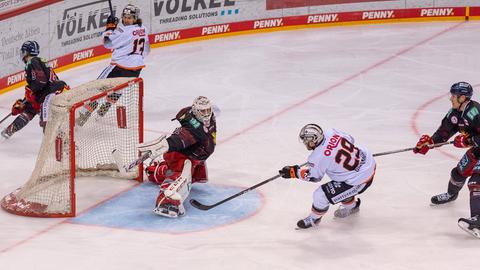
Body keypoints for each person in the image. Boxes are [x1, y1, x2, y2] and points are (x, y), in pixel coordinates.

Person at [414, 82, 480, 238]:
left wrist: (468, 141)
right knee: (458, 173)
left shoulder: (476, 112)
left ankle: (478, 220)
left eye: (453, 96)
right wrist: (429, 143)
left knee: (476, 182)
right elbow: (444, 132)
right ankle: (452, 194)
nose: (451, 98)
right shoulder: (455, 113)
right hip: (477, 150)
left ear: (463, 97)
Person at [279, 124, 376, 229]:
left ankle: (314, 219)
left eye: (306, 141)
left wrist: (294, 172)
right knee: (339, 186)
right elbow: (351, 140)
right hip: (367, 161)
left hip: (360, 179)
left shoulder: (317, 157)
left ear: (314, 140)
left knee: (320, 195)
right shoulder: (331, 132)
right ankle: (352, 207)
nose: (305, 143)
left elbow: (314, 177)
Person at [137, 96, 217, 218]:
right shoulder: (192, 129)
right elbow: (179, 140)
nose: (206, 113)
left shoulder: (208, 119)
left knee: (189, 172)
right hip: (180, 157)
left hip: (194, 157)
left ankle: (155, 171)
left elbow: (184, 113)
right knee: (179, 176)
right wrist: (164, 145)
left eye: (208, 110)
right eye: (202, 111)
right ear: (195, 111)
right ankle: (166, 201)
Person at [76, 4, 151, 126]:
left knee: (98, 89)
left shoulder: (122, 30)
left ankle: (82, 117)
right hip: (136, 69)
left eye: (129, 18)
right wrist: (134, 57)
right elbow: (146, 49)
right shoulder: (144, 28)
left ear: (135, 18)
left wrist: (110, 27)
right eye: (125, 17)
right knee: (118, 89)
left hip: (119, 67)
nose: (126, 20)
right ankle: (102, 113)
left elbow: (107, 44)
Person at [1, 41, 69, 140]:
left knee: (47, 124)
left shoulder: (32, 61)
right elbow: (41, 84)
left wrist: (30, 91)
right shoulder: (39, 61)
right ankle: (8, 132)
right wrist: (24, 102)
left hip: (52, 93)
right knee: (30, 109)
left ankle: (66, 145)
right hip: (53, 92)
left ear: (25, 52)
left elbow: (41, 81)